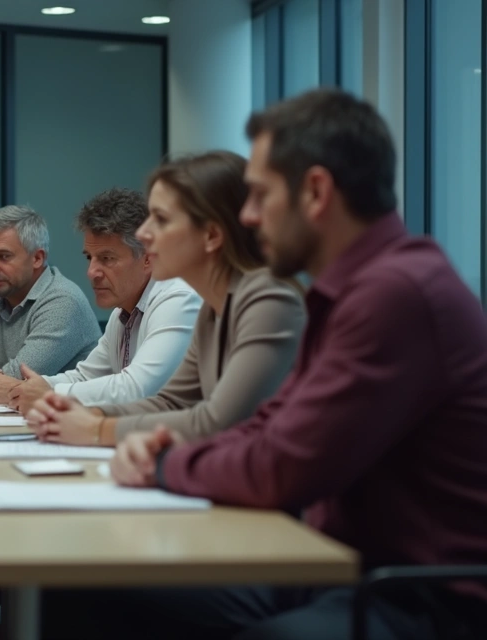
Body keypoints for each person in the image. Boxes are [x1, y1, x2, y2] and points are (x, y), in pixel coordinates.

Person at [56, 88, 487, 640]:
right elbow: (268, 426)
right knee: (86, 582)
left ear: (315, 192)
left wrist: (162, 464)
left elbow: (283, 464)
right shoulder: (353, 291)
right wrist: (163, 447)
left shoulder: (395, 294)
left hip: (418, 594)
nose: (250, 217)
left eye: (259, 196)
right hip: (340, 566)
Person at [25, 150, 306, 449]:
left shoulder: (269, 300)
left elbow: (218, 422)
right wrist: (80, 414)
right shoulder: (214, 307)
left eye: (160, 219)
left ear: (211, 235)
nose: (144, 234)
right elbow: (171, 402)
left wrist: (97, 429)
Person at [0, 190, 201, 412]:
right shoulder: (122, 313)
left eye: (107, 259)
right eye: (90, 257)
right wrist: (29, 388)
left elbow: (137, 388)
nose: (91, 272)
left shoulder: (177, 299)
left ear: (147, 258)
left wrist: (47, 393)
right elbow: (84, 376)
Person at [0, 205, 101, 394]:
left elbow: (15, 379)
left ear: (37, 258)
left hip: (67, 419)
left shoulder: (63, 301)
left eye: (3, 256)